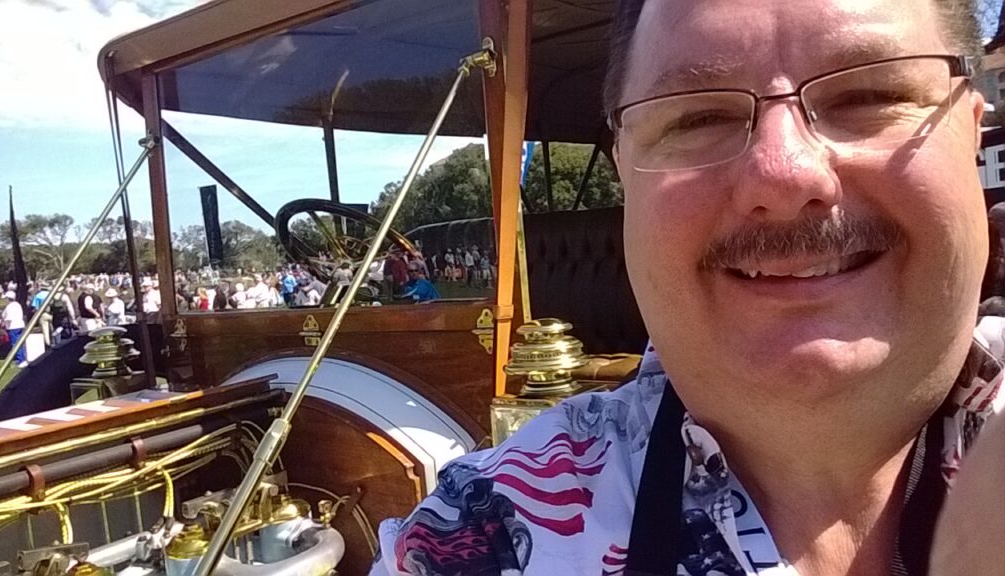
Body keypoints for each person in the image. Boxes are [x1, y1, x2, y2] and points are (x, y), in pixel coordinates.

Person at [370, 1, 1001, 575]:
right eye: (699, 117)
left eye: (869, 94)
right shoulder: (474, 538)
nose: (783, 176)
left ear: (973, 131)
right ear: (626, 176)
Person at [1, 291, 27, 367]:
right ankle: (22, 359)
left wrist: (3, 323)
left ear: (8, 298)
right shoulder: (18, 305)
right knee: (20, 343)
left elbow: (9, 318)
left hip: (13, 327)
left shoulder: (10, 307)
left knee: (15, 344)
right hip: (20, 325)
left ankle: (20, 360)